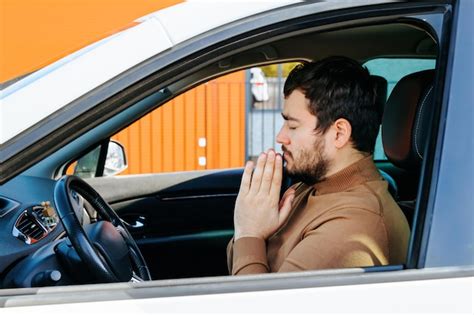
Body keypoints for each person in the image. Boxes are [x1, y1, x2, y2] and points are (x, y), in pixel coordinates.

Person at [227, 56, 410, 275]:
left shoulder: (354, 227)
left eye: (292, 126)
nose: (280, 137)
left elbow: (255, 307)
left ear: (339, 134)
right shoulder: (309, 186)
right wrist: (251, 232)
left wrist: (250, 233)